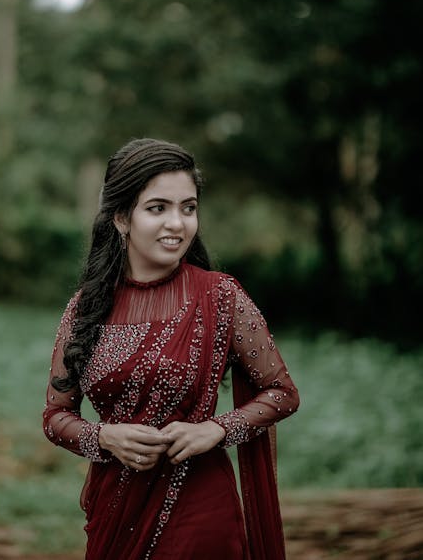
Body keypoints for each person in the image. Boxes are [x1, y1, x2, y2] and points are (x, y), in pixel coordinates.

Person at [43, 138, 299, 560]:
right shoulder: (85, 307)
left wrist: (215, 429)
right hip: (114, 513)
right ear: (122, 217)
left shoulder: (220, 297)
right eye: (158, 208)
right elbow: (55, 417)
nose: (177, 224)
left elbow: (283, 393)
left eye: (188, 207)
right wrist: (104, 436)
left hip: (201, 510)